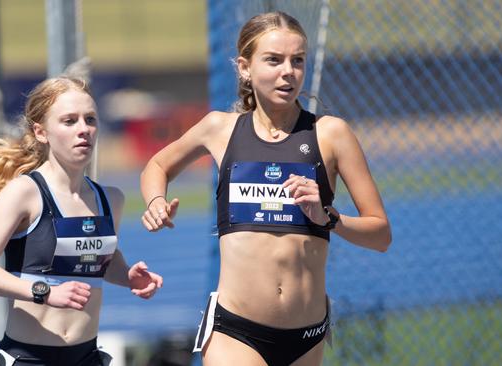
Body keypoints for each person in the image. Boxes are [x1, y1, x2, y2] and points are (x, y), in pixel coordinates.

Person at [140, 11, 391, 366]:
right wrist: (155, 200)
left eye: (297, 60)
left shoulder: (331, 134)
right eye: (273, 60)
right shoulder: (219, 129)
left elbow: (381, 234)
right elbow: (158, 165)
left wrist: (328, 218)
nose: (288, 71)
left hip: (305, 337)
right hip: (236, 331)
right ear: (245, 67)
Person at [0, 76, 163, 366]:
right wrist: (45, 293)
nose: (84, 130)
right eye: (69, 121)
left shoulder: (111, 199)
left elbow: (94, 263)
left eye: (90, 120)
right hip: (29, 358)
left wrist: (127, 275)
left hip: (86, 357)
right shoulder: (24, 192)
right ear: (41, 132)